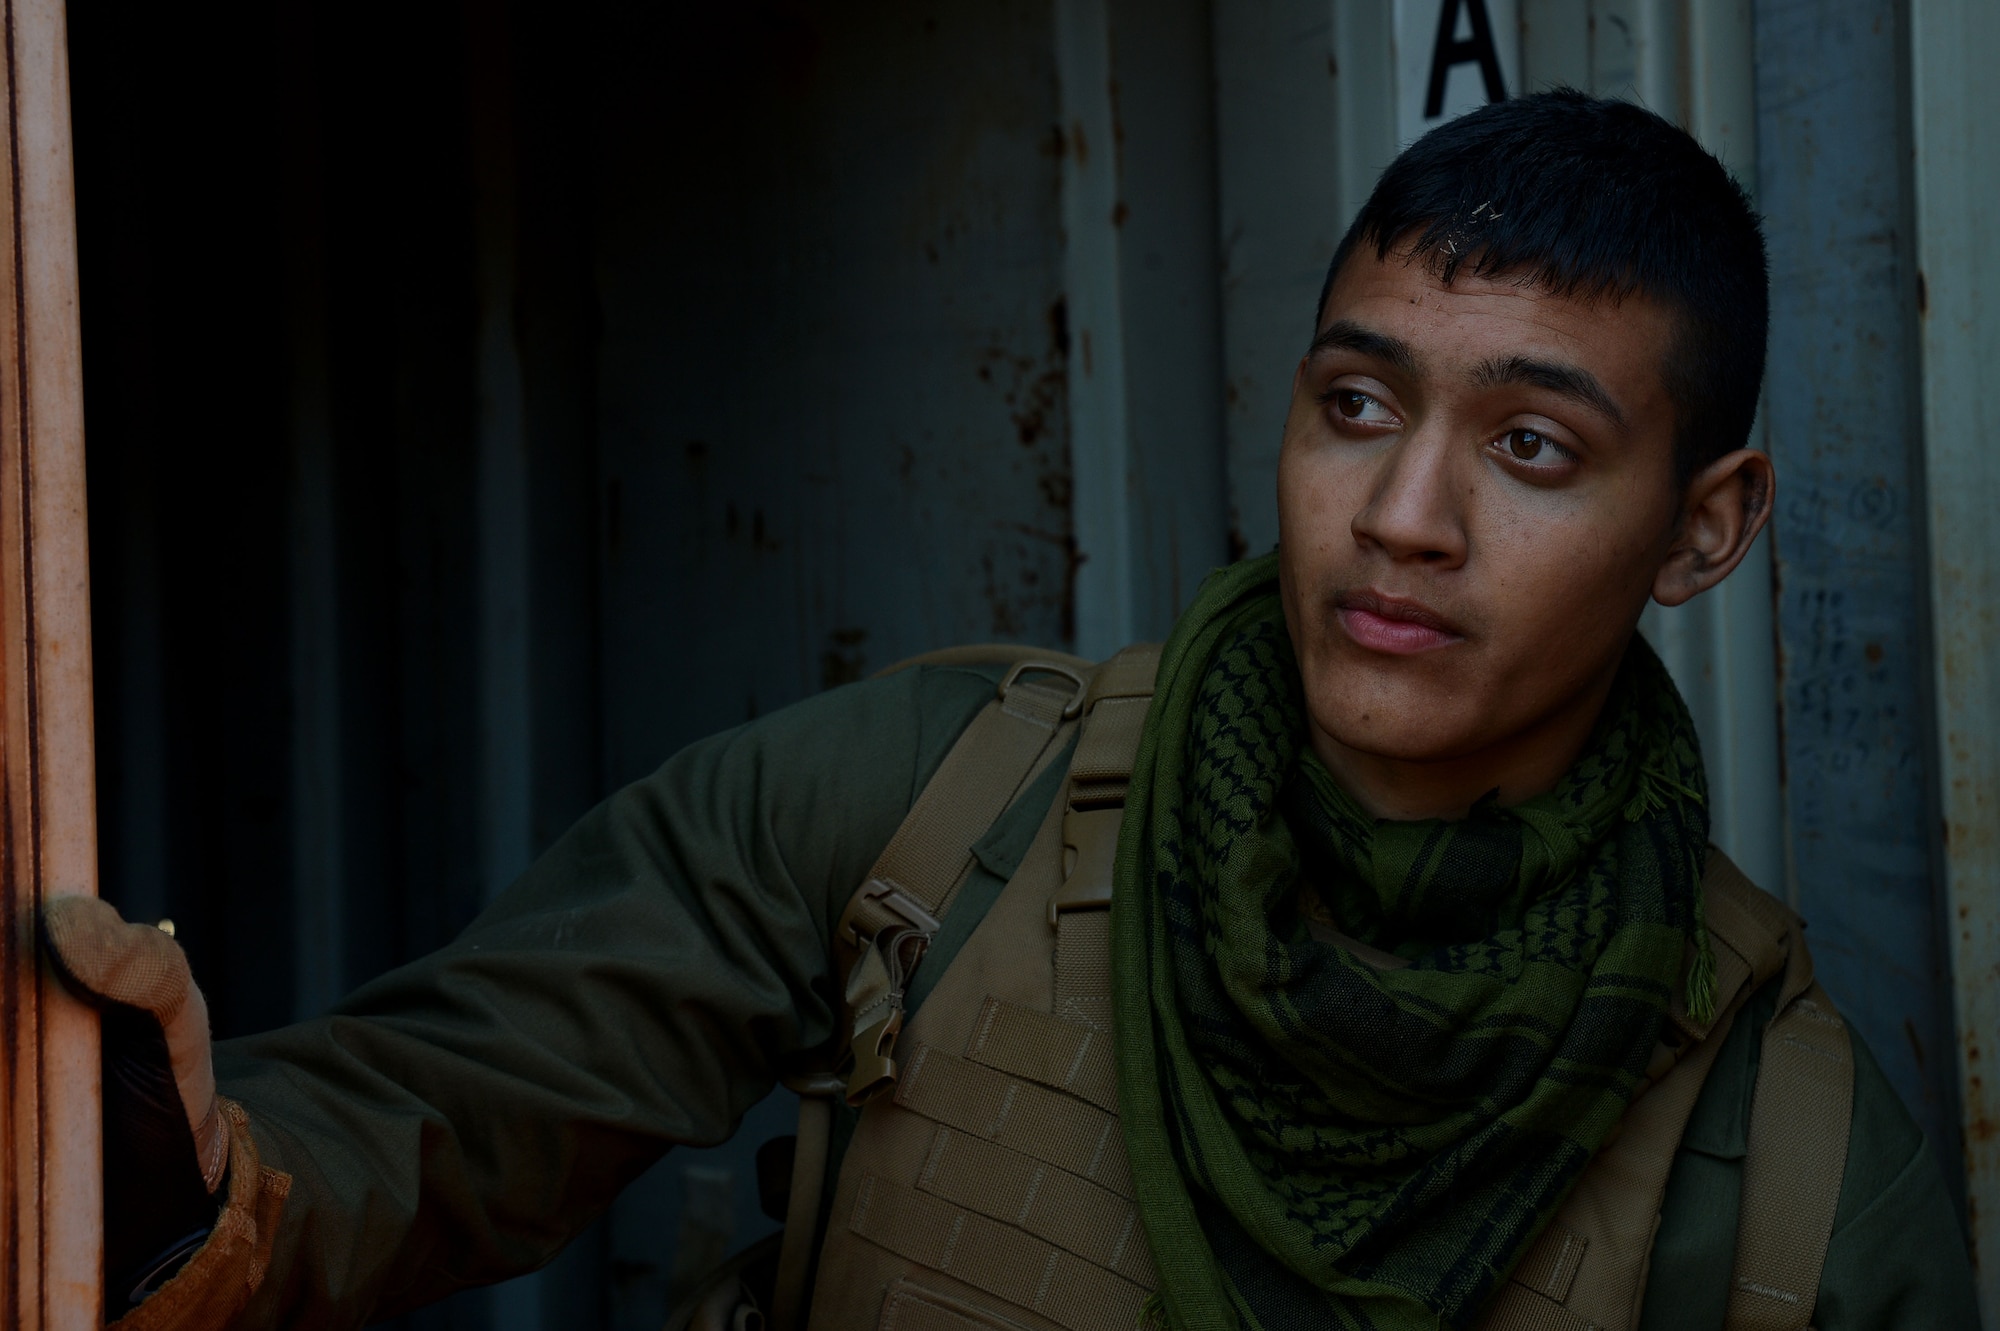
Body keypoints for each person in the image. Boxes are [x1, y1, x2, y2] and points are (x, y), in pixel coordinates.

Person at [44, 90, 1979, 1331]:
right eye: (1358, 404)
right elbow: (446, 1105)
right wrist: (187, 1165)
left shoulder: (1801, 1174)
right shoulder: (939, 798)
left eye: (1535, 447)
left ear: (1703, 530)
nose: (1402, 517)